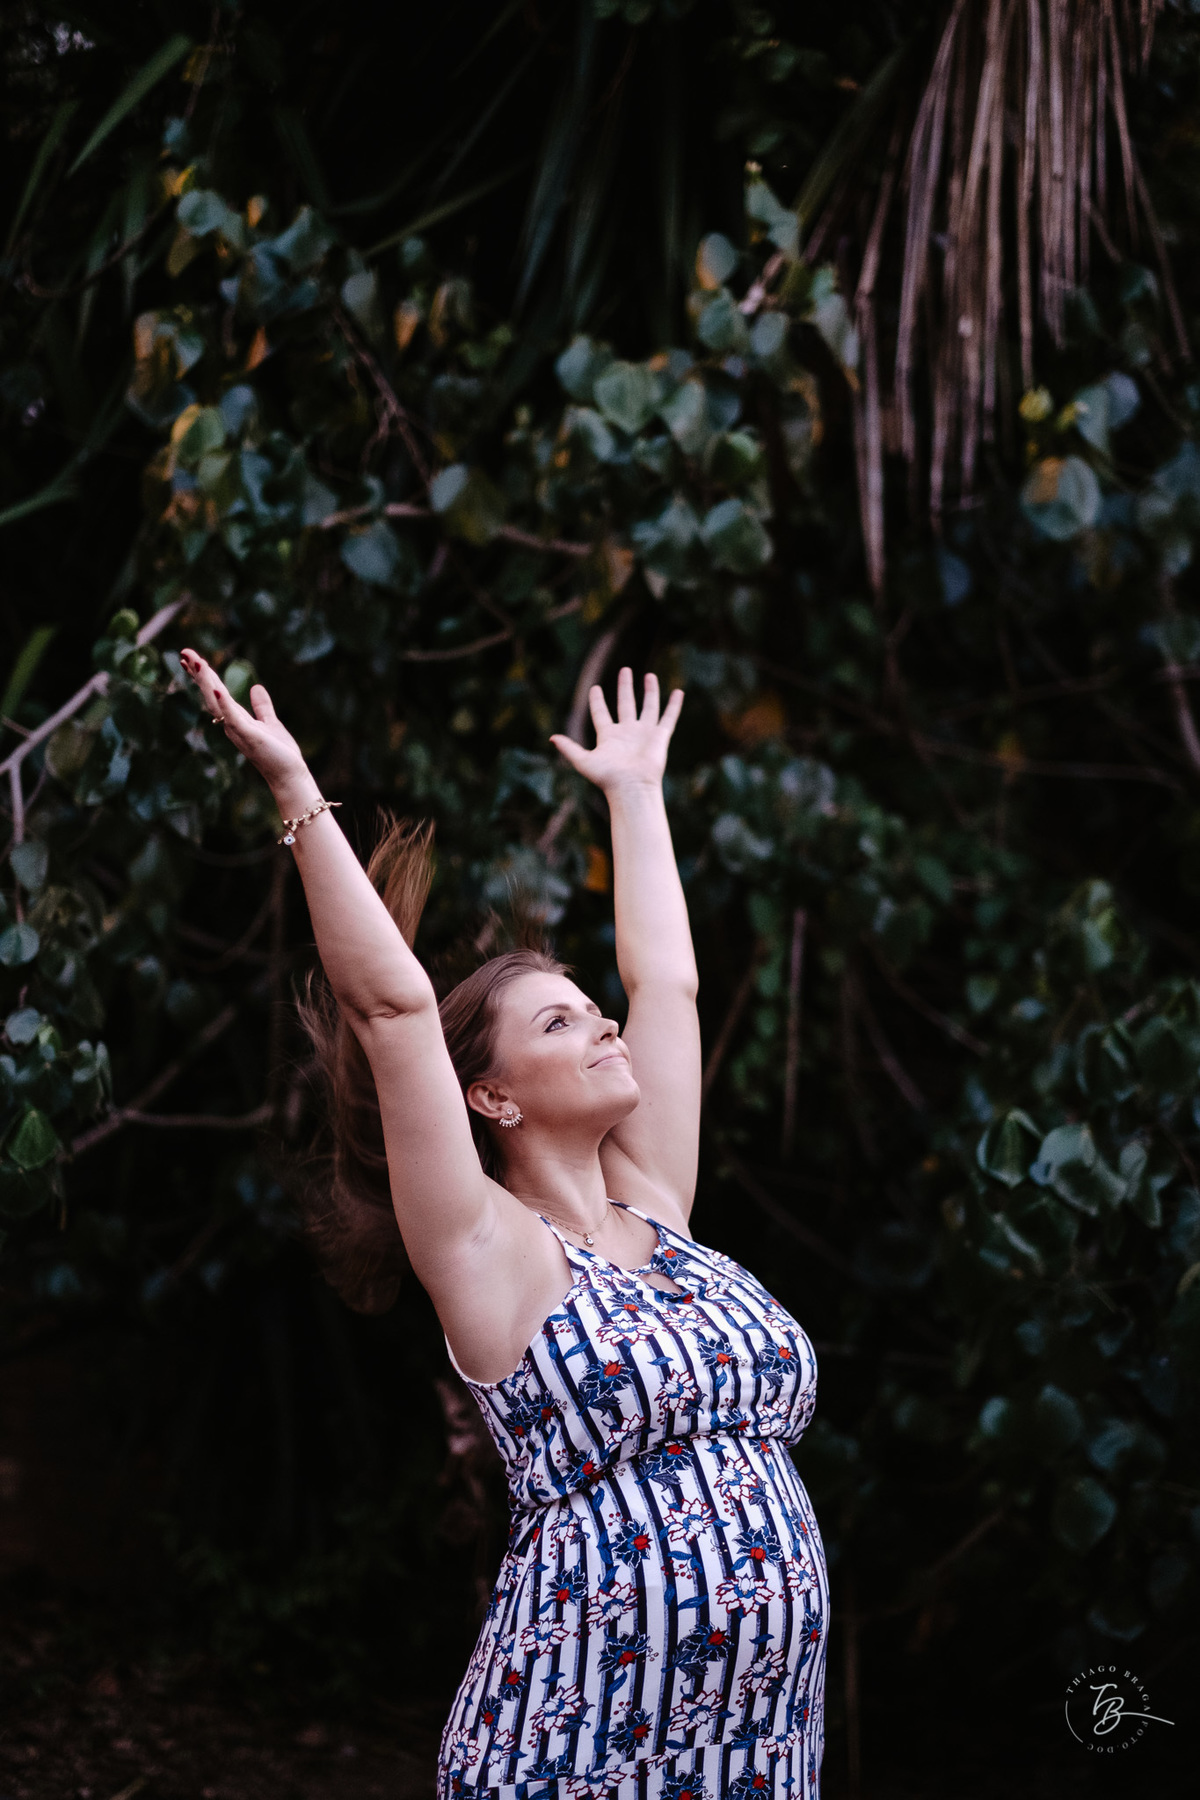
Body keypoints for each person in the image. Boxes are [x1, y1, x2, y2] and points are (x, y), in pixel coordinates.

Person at [179, 649, 829, 1799]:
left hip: (756, 1746)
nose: (604, 1028)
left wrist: (634, 794)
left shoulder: (658, 1206)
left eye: (592, 1009)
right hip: (578, 1743)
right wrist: (294, 794)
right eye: (562, 1023)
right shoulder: (493, 1258)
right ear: (493, 1096)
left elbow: (666, 983)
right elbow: (391, 1008)